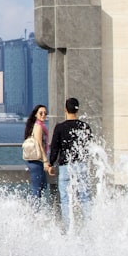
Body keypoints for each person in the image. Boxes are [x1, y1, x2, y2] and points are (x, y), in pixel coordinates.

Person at [47, 97, 93, 227]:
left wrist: (50, 164)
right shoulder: (84, 126)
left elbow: (55, 148)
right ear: (77, 109)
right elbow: (89, 146)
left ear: (65, 110)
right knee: (85, 197)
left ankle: (69, 228)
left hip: (65, 167)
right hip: (81, 165)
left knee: (66, 199)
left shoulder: (60, 127)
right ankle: (90, 227)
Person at [23, 104, 51, 204]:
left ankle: (36, 212)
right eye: (41, 113)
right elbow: (39, 144)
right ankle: (34, 215)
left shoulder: (38, 125)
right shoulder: (38, 126)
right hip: (37, 162)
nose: (43, 115)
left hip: (35, 161)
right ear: (35, 114)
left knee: (42, 187)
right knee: (37, 190)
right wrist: (45, 161)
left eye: (45, 113)